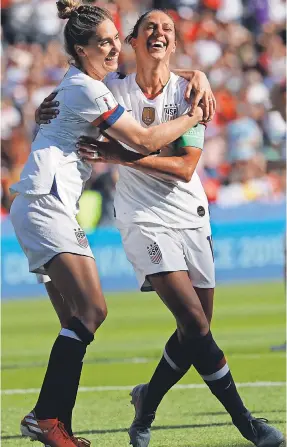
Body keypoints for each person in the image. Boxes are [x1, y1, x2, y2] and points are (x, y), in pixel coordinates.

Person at [37, 8, 284, 447]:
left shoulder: (189, 90)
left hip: (190, 214)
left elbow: (186, 167)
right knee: (192, 319)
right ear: (132, 41)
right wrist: (48, 107)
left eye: (168, 28)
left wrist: (121, 156)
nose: (160, 33)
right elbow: (73, 90)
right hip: (142, 219)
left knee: (197, 328)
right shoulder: (111, 88)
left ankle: (145, 402)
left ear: (174, 42)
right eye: (150, 27)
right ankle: (248, 425)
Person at [9, 2, 207, 447]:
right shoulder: (90, 89)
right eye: (105, 42)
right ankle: (46, 418)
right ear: (81, 49)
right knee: (93, 310)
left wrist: (200, 76)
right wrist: (196, 115)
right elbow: (143, 140)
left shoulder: (81, 81)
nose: (116, 48)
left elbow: (164, 70)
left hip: (43, 201)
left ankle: (53, 421)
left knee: (76, 320)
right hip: (47, 202)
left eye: (117, 39)